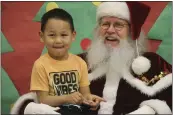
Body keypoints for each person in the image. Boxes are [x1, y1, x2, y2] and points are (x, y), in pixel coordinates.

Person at [11, 2, 172, 115]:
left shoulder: (152, 64)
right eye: (105, 24)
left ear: (131, 31)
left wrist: (149, 110)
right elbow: (43, 95)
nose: (110, 30)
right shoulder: (80, 61)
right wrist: (30, 108)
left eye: (118, 25)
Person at [10, 8, 105, 115]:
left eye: (64, 35)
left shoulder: (80, 63)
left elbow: (85, 94)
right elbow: (43, 100)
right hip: (53, 110)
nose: (58, 40)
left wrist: (90, 99)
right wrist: (66, 98)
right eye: (52, 35)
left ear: (73, 36)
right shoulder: (40, 65)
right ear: (42, 36)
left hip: (78, 110)